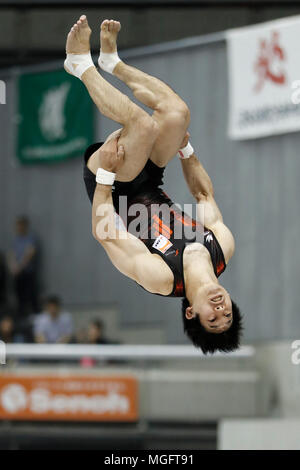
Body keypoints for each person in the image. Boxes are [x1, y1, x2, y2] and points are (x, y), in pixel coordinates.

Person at [65, 16, 242, 354]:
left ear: (191, 312)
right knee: (177, 112)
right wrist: (186, 150)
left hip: (113, 185)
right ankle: (113, 63)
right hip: (150, 177)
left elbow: (106, 234)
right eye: (227, 315)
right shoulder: (222, 247)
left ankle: (80, 65)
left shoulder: (162, 277)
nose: (220, 309)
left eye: (213, 319)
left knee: (142, 126)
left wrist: (105, 175)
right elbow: (203, 194)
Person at [7, 216, 39, 317]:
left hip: (28, 272)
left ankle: (34, 315)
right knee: (19, 296)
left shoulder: (31, 238)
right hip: (17, 273)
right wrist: (13, 266)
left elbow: (30, 253)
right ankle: (21, 315)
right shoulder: (16, 239)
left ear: (25, 226)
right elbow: (11, 254)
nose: (19, 228)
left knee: (31, 294)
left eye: (21, 225)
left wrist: (19, 267)